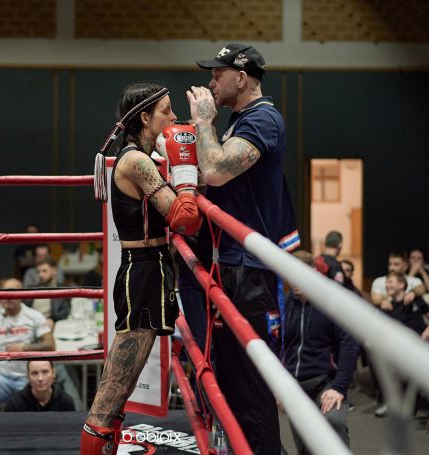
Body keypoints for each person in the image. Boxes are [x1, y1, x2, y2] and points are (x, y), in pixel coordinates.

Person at [188, 43, 300, 454]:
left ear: (241, 78)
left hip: (250, 270)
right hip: (232, 264)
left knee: (251, 389)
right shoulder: (240, 120)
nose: (211, 82)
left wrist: (203, 123)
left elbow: (215, 170)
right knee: (233, 384)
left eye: (217, 75)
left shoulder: (263, 119)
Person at [81, 82, 200, 454]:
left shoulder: (144, 158)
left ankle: (109, 444)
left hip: (152, 267)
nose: (174, 117)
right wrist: (186, 174)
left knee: (124, 381)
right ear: (145, 118)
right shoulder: (136, 161)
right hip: (143, 270)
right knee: (116, 384)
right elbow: (184, 217)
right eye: (166, 110)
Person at [282, 251, 359, 452]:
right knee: (306, 447)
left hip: (325, 383)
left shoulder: (329, 303)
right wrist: (278, 386)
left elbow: (349, 344)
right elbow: (277, 347)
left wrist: (339, 387)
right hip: (295, 388)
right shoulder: (285, 304)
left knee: (333, 424)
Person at [0, 278, 55, 413]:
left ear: (21, 295)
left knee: (35, 401)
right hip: (2, 378)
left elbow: (50, 345)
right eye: (5, 293)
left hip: (28, 378)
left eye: (12, 292)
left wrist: (24, 348)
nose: (8, 297)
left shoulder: (33, 316)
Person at [373, 271, 429, 417]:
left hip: (420, 343)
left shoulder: (415, 299)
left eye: (390, 282)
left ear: (402, 285)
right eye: (386, 283)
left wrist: (428, 331)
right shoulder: (386, 305)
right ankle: (392, 401)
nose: (387, 285)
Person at [3, 360, 75, 412]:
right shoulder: (14, 404)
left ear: (53, 373)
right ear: (27, 376)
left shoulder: (66, 402)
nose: (40, 378)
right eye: (34, 373)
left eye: (45, 372)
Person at [27, 257, 70, 328]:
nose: (40, 275)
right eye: (39, 272)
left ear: (54, 271)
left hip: (49, 325)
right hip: (30, 324)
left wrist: (52, 321)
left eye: (44, 271)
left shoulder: (63, 291)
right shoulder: (32, 289)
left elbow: (64, 314)